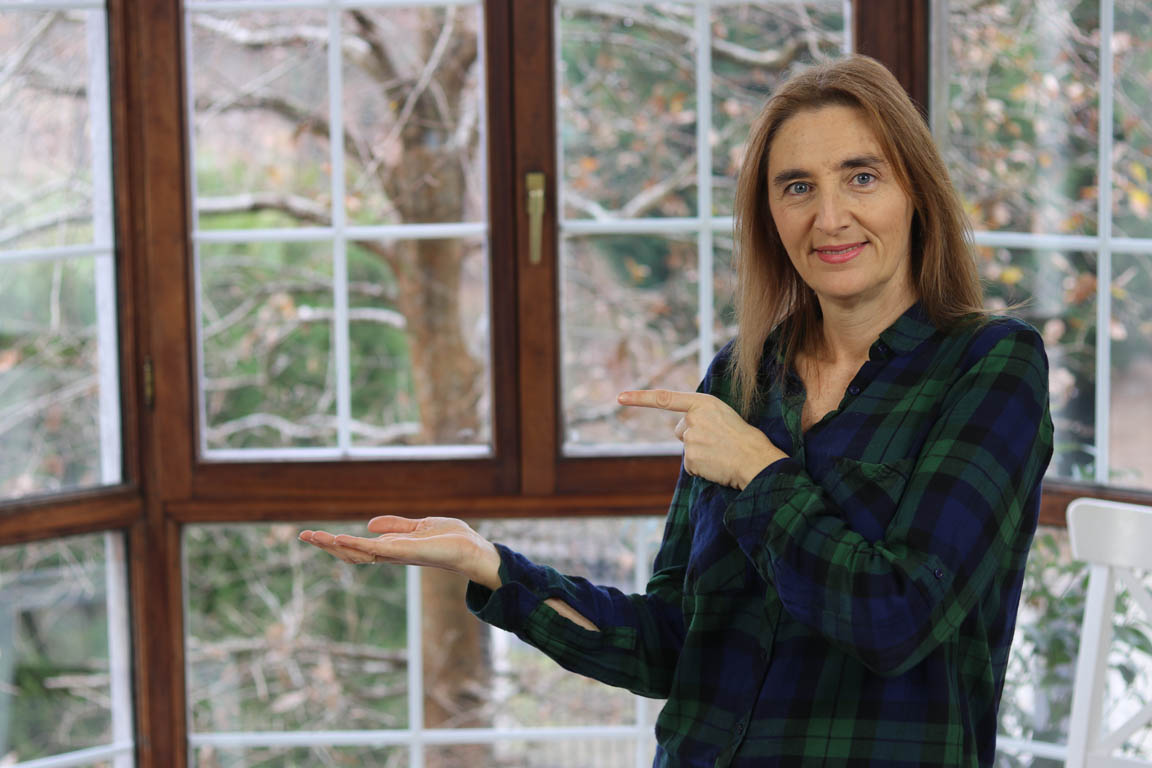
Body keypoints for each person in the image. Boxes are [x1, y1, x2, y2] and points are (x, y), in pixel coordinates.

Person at [300, 54, 1053, 767]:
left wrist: (759, 472)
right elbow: (672, 643)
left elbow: (898, 619)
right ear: (769, 214)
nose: (830, 217)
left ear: (916, 191)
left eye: (862, 177)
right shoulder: (742, 378)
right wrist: (493, 569)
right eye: (797, 187)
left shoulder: (991, 367)